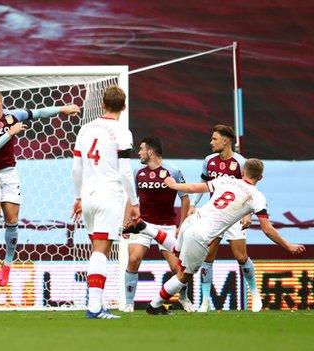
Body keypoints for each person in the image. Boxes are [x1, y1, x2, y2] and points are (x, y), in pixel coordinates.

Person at [145, 158, 306, 315]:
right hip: (200, 234)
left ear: (243, 171)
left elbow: (194, 187)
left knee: (176, 251)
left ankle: (146, 228)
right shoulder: (257, 197)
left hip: (191, 221)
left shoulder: (225, 180)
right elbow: (267, 229)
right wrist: (288, 245)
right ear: (261, 177)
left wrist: (174, 185)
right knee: (183, 276)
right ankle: (154, 305)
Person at [0, 88, 80, 287]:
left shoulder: (14, 116)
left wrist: (63, 108)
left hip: (9, 174)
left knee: (12, 220)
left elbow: (39, 112)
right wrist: (10, 133)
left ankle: (7, 263)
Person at [70, 85, 137, 319]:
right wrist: (135, 202)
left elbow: (76, 168)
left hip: (88, 196)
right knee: (101, 251)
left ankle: (96, 305)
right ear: (124, 106)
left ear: (102, 105)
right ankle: (95, 307)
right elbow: (126, 172)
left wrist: (78, 197)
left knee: (97, 250)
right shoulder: (122, 132)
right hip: (109, 196)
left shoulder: (85, 129)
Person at [190, 125, 258, 312]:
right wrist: (195, 204)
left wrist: (248, 213)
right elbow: (204, 185)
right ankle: (205, 301)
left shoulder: (241, 162)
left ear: (225, 141)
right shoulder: (208, 161)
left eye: (214, 139)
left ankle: (255, 293)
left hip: (234, 216)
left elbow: (249, 189)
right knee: (208, 255)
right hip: (214, 217)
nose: (211, 142)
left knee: (241, 256)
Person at [123, 137, 194, 312]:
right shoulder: (138, 172)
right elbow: (132, 200)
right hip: (143, 225)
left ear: (151, 151)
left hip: (167, 226)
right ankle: (129, 303)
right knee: (133, 259)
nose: (138, 152)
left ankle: (184, 297)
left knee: (178, 267)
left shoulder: (173, 171)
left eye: (141, 149)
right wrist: (126, 222)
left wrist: (181, 225)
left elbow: (185, 200)